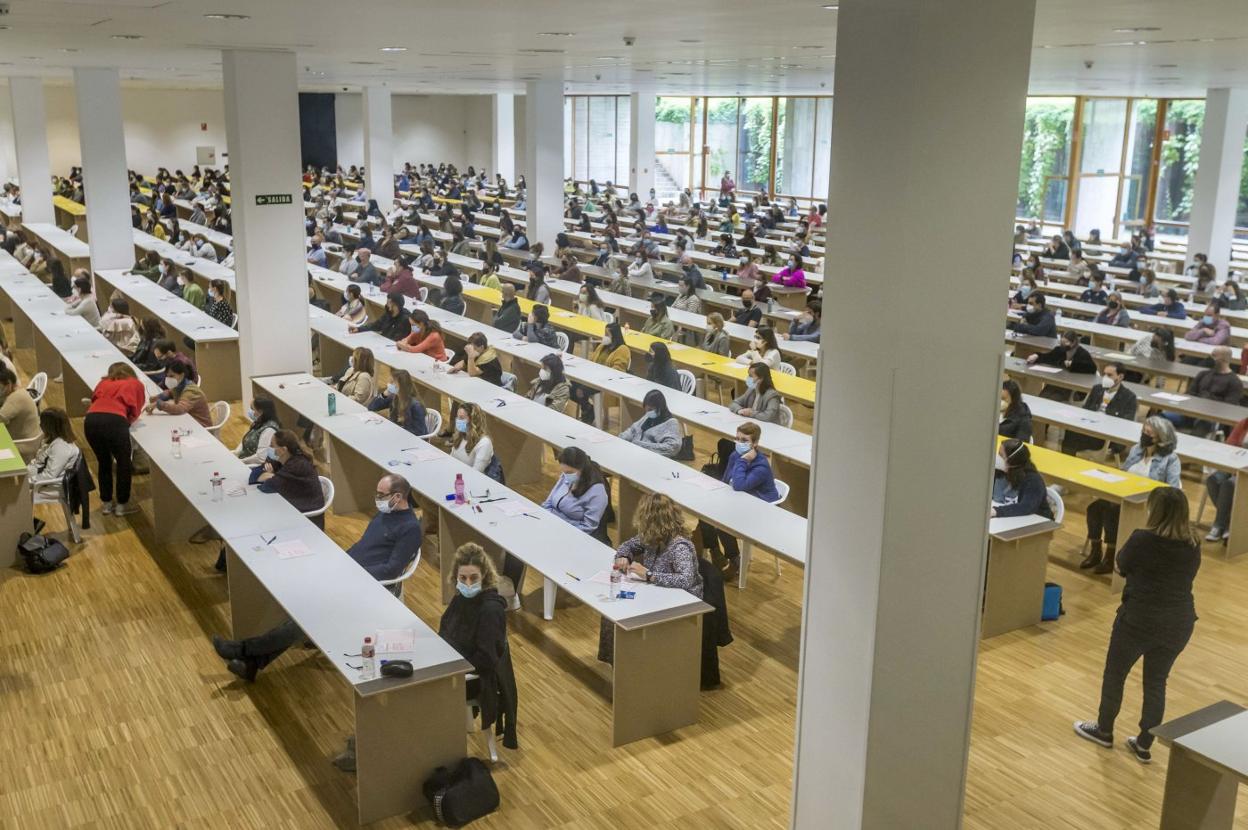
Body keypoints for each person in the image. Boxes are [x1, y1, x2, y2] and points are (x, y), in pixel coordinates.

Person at [212, 475, 421, 683]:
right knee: (304, 609)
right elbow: (363, 546)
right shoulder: (384, 514)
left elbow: (392, 570)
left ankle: (243, 650)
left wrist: (355, 572)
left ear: (398, 496)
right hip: (348, 574)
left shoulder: (410, 528)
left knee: (308, 616)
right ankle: (252, 663)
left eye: (381, 494)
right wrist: (340, 560)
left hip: (371, 586)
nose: (377, 498)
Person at [1073, 486, 1199, 764]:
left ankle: (1104, 730)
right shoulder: (1193, 542)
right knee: (1156, 682)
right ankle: (1144, 744)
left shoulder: (1143, 539)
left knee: (1115, 674)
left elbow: (1120, 564)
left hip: (1139, 618)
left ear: (1156, 511)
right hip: (1179, 622)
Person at [599, 493, 702, 663]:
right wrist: (623, 556)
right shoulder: (652, 537)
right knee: (612, 609)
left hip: (679, 600)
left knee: (623, 612)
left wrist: (649, 575)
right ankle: (618, 662)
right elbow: (628, 545)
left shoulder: (680, 546)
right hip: (657, 591)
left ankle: (633, 662)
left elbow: (686, 580)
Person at [438, 542, 518, 751]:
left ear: (485, 577)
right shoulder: (460, 599)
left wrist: (450, 669)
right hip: (453, 666)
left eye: (474, 578)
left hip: (474, 680)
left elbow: (485, 660)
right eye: (462, 578)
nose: (468, 583)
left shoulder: (490, 610)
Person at [1083, 417, 1182, 574]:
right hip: (1124, 494)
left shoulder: (1171, 459)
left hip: (1147, 502)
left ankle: (1111, 554)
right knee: (1094, 508)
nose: (1144, 436)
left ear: (1161, 438)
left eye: (1149, 434)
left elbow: (1173, 489)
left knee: (1112, 511)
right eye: (1143, 431)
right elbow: (1124, 471)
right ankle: (1095, 550)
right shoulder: (1137, 449)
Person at [85, 363, 147, 516]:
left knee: (104, 462)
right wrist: (127, 421)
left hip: (91, 420)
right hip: (115, 421)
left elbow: (94, 400)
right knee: (123, 463)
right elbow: (136, 410)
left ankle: (106, 504)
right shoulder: (135, 384)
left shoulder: (103, 382)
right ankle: (121, 505)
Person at [1060, 362, 1139, 456]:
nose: (1105, 378)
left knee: (1075, 439)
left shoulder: (1129, 397)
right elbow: (1086, 410)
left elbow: (1126, 424)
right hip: (1089, 426)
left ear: (1120, 377)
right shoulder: (1097, 389)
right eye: (1104, 374)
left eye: (1109, 375)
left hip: (1106, 435)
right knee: (1070, 431)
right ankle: (1067, 460)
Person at [252, 429, 326, 527]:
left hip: (307, 519)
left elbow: (267, 486)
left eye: (272, 445)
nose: (270, 448)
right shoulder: (285, 460)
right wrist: (273, 476)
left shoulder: (297, 465)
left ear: (283, 450)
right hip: (295, 508)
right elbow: (255, 475)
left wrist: (271, 475)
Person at [542, 446, 609, 536]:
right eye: (563, 471)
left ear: (582, 468)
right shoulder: (566, 475)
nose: (565, 475)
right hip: (551, 525)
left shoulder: (597, 492)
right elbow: (548, 503)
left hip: (571, 534)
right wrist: (545, 518)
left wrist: (560, 528)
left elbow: (588, 527)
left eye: (569, 472)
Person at [26, 407, 79, 498]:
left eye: (42, 422)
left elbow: (49, 476)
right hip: (32, 474)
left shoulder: (61, 447)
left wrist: (28, 481)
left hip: (45, 485)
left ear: (49, 426)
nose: (40, 424)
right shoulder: (51, 439)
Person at [147, 358, 212, 427]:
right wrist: (158, 397)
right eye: (167, 376)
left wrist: (158, 404)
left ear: (182, 375)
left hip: (201, 427)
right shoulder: (180, 384)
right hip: (189, 421)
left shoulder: (191, 391)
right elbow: (170, 392)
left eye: (171, 376)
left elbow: (180, 409)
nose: (168, 379)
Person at [620, 389, 682, 457]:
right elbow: (633, 430)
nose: (647, 412)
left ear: (660, 408)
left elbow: (672, 447)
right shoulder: (648, 416)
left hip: (651, 457)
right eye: (646, 409)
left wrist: (640, 445)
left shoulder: (671, 423)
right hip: (636, 451)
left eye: (650, 409)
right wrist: (621, 439)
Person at [370, 369, 428, 436]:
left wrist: (396, 430)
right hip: (397, 434)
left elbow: (419, 432)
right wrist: (384, 394)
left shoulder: (416, 406)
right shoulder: (394, 397)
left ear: (401, 385)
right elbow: (372, 407)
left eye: (392, 382)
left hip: (410, 439)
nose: (389, 384)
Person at [448, 403, 496, 473]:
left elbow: (476, 473)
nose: (457, 420)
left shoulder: (484, 443)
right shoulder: (459, 435)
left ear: (473, 420)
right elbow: (451, 459)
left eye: (461, 418)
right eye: (457, 417)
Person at [233, 397, 281, 466]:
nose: (251, 412)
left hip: (253, 465)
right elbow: (246, 439)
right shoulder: (259, 422)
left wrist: (240, 461)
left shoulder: (269, 430)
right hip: (244, 459)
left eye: (253, 409)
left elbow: (260, 458)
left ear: (261, 412)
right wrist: (236, 453)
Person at [0, 366, 39, 446]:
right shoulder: (19, 391)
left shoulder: (16, 398)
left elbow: (1, 418)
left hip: (22, 446)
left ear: (9, 384)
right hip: (23, 440)